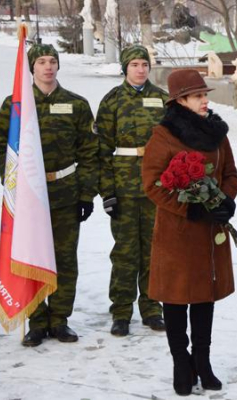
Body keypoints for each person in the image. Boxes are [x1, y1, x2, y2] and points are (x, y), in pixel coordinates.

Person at [0, 44, 98, 347]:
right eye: (41, 62)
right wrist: (13, 184)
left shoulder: (76, 104)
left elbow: (90, 152)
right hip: (29, 197)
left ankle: (60, 319)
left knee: (65, 258)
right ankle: (37, 321)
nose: (48, 67)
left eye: (53, 61)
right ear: (32, 67)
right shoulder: (16, 105)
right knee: (31, 255)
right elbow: (2, 148)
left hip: (65, 192)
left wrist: (86, 194)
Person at [142, 69, 237, 395]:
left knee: (203, 297)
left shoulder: (216, 133)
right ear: (180, 100)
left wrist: (224, 201)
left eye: (205, 94)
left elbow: (231, 174)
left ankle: (203, 361)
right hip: (177, 234)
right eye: (198, 96)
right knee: (176, 298)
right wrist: (191, 207)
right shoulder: (164, 136)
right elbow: (153, 185)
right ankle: (180, 362)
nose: (205, 100)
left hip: (209, 234)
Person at [96, 45, 169, 337]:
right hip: (124, 187)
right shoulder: (112, 101)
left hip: (157, 186)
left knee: (154, 251)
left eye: (144, 64)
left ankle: (152, 309)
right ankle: (121, 312)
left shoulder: (163, 99)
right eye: (135, 64)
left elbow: (175, 145)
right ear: (125, 68)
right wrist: (107, 192)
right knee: (125, 253)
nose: (140, 69)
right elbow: (100, 151)